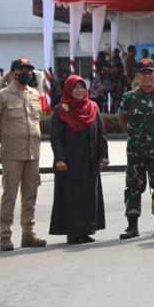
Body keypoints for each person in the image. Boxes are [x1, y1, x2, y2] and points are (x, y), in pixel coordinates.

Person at [0, 57, 46, 251]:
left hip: (33, 152)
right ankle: (5, 236)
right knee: (10, 196)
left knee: (30, 195)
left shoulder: (34, 94)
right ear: (13, 73)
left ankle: (28, 234)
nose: (26, 73)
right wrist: (7, 138)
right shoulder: (2, 95)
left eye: (28, 69)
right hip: (12, 153)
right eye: (22, 69)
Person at [117, 58, 154, 239]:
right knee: (133, 187)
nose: (147, 76)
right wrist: (133, 135)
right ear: (137, 76)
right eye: (143, 73)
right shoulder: (130, 97)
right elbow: (122, 119)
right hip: (136, 150)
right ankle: (132, 227)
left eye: (150, 72)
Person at [50, 75, 109, 244]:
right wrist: (59, 159)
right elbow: (56, 137)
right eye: (75, 88)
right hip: (69, 162)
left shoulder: (93, 107)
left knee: (89, 197)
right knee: (72, 198)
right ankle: (73, 233)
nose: (79, 91)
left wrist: (104, 155)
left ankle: (86, 231)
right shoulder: (61, 109)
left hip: (90, 161)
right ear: (68, 89)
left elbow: (101, 133)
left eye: (82, 87)